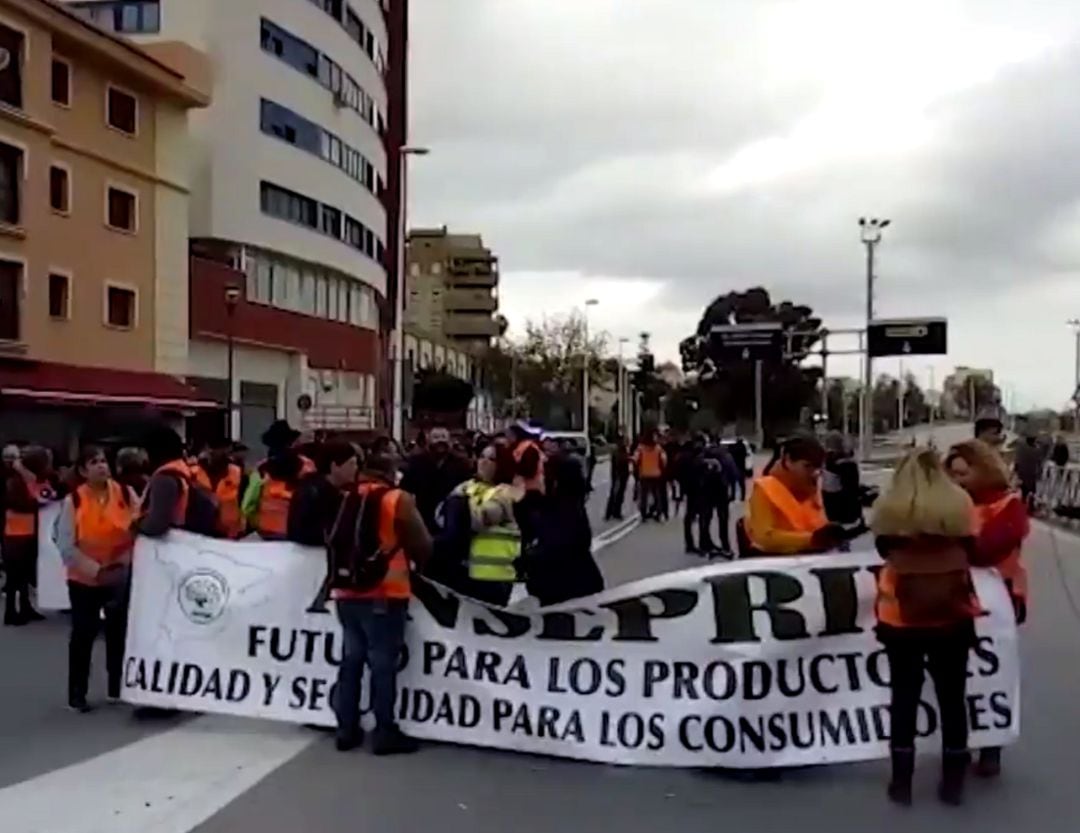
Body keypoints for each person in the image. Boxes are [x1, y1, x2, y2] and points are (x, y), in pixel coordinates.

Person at [872, 447, 981, 806]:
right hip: (951, 617)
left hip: (902, 620)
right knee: (953, 698)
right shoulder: (959, 507)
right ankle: (953, 782)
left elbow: (883, 552)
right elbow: (973, 550)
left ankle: (901, 781)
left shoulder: (890, 512)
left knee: (904, 696)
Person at [330, 445, 432, 755]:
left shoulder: (345, 497)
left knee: (351, 659)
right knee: (382, 663)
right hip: (385, 594)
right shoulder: (397, 499)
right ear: (390, 473)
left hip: (346, 592)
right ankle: (384, 731)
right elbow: (422, 544)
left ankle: (346, 729)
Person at [946, 439, 1030, 779]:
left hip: (1000, 600)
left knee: (991, 675)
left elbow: (985, 550)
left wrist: (950, 539)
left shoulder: (1009, 506)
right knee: (954, 677)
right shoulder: (953, 505)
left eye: (963, 474)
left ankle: (991, 748)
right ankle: (959, 743)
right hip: (954, 599)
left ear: (982, 470)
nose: (957, 483)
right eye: (951, 476)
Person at [55, 447, 137, 712]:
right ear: (82, 470)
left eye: (104, 461)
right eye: (94, 462)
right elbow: (65, 544)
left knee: (119, 633)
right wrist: (94, 569)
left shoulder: (125, 494)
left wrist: (124, 562)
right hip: (84, 578)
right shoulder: (74, 501)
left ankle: (118, 686)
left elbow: (139, 531)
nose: (102, 466)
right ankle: (77, 693)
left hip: (119, 575)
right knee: (83, 635)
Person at [439, 443, 521, 607]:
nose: (483, 462)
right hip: (465, 571)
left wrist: (460, 507)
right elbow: (441, 514)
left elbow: (479, 520)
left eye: (491, 459)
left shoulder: (506, 493)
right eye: (481, 457)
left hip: (495, 576)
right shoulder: (467, 485)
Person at [521, 452, 604, 606]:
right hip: (574, 585)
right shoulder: (565, 504)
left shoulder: (562, 511)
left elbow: (554, 549)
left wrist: (526, 559)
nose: (538, 478)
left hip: (566, 591)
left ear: (555, 480)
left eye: (542, 473)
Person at [743, 436, 843, 556]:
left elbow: (817, 524)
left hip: (811, 559)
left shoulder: (810, 488)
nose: (815, 473)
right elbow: (764, 537)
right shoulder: (765, 488)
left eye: (818, 468)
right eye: (808, 466)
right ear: (788, 461)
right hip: (775, 564)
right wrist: (811, 540)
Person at [3, 446, 56, 625]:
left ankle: (25, 607)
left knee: (24, 575)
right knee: (14, 577)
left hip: (27, 532)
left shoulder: (32, 479)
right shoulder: (16, 480)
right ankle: (10, 611)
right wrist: (36, 502)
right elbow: (17, 502)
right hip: (15, 533)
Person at [245, 421, 312, 540]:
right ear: (291, 443)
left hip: (267, 532)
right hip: (297, 533)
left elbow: (248, 505)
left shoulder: (261, 469)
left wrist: (256, 522)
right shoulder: (307, 466)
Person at [399, 425, 472, 534]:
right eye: (436, 437)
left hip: (452, 519)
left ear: (450, 441)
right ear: (428, 441)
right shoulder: (416, 463)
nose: (440, 441)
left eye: (443, 437)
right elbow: (406, 490)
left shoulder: (461, 464)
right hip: (424, 518)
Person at [286, 441, 359, 547]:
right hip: (311, 557)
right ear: (334, 466)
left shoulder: (335, 491)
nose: (356, 468)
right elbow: (304, 532)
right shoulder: (313, 493)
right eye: (351, 464)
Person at [192, 438, 247, 539]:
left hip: (229, 533)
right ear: (208, 450)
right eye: (215, 450)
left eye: (226, 451)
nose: (222, 454)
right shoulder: (194, 472)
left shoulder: (237, 472)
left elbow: (244, 501)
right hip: (201, 531)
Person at [821, 432, 866, 545]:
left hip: (830, 508)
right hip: (847, 510)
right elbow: (851, 489)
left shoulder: (826, 462)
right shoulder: (847, 465)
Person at [633, 430, 667, 521]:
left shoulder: (640, 448)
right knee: (657, 495)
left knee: (644, 495)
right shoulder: (658, 448)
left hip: (644, 474)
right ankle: (658, 512)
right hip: (656, 474)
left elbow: (635, 459)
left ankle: (643, 513)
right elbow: (664, 460)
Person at [1012, 434, 1044, 512]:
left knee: (1022, 491)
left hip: (1022, 473)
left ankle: (1020, 506)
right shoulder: (1036, 450)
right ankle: (1030, 507)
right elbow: (1039, 461)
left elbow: (1017, 460)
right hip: (1032, 474)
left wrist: (1015, 469)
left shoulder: (1022, 450)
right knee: (1032, 492)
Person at [604, 435, 631, 521]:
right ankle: (612, 513)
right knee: (616, 495)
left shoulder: (621, 450)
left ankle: (613, 512)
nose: (627, 442)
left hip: (620, 475)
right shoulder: (619, 451)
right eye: (626, 440)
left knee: (617, 494)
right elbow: (620, 462)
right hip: (619, 476)